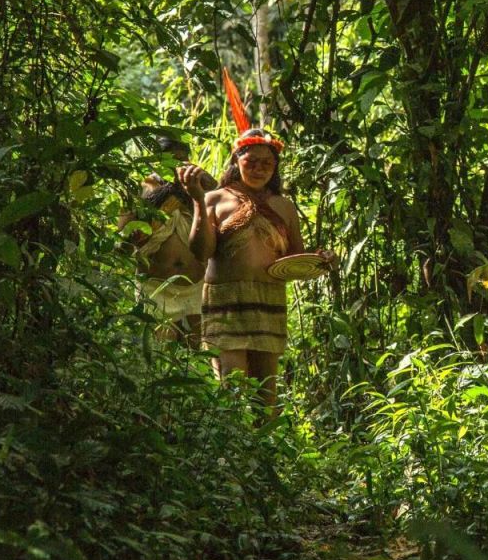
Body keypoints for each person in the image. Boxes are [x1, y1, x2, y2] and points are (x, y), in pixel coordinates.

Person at [177, 127, 334, 412]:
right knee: (233, 391)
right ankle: (232, 454)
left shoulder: (283, 206)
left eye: (267, 164)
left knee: (266, 398)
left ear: (275, 168)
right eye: (251, 162)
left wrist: (320, 259)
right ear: (236, 161)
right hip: (226, 302)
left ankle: (266, 452)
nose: (259, 169)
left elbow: (295, 258)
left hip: (268, 302)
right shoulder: (215, 199)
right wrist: (198, 199)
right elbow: (201, 252)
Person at [118, 136, 216, 347]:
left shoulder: (200, 187)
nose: (176, 165)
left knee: (195, 356)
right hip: (155, 287)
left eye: (182, 159)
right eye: (170, 160)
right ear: (156, 160)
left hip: (195, 286)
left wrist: (197, 190)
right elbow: (123, 239)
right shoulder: (141, 188)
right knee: (159, 355)